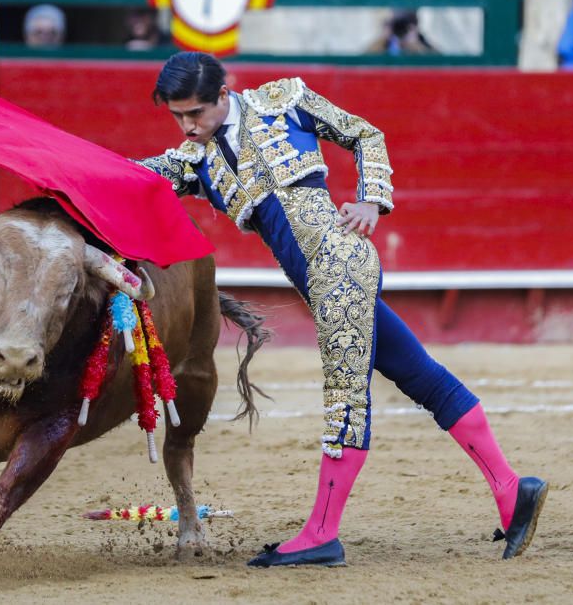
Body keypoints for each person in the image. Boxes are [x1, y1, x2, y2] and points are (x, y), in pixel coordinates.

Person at [133, 51, 547, 568]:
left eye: (194, 113)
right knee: (423, 377)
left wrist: (373, 199)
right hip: (320, 284)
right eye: (177, 117)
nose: (187, 126)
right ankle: (513, 492)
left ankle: (321, 534)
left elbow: (364, 133)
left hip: (341, 266)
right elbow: (135, 177)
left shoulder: (283, 101)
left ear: (223, 95)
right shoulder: (199, 160)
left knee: (345, 401)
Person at [366, 8, 436, 56]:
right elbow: (363, 61)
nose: (401, 28)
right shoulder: (382, 43)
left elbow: (440, 63)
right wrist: (383, 40)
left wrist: (416, 45)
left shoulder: (422, 42)